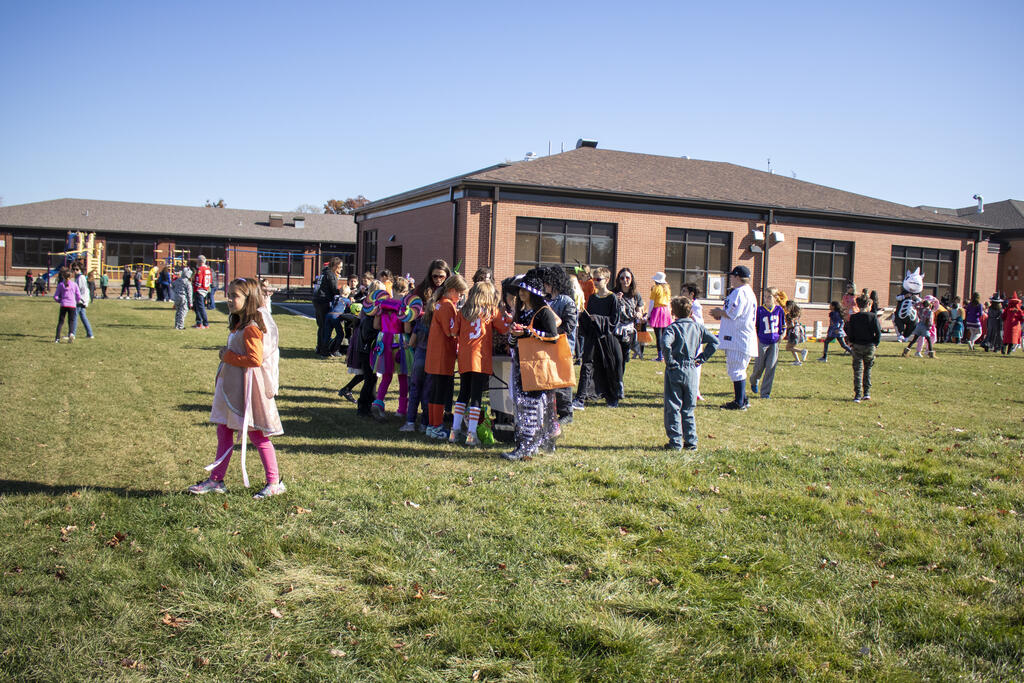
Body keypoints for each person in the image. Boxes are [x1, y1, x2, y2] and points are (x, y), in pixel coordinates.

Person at [188, 278, 285, 499]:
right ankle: (216, 480)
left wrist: (227, 356)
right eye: (229, 295)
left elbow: (254, 359)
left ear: (249, 299)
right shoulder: (239, 324)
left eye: (235, 296)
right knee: (224, 430)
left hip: (247, 390)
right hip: (233, 389)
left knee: (257, 434)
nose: (230, 299)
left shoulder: (251, 328)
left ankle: (274, 482)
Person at [503, 275, 560, 461]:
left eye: (525, 290)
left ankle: (527, 446)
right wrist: (514, 334)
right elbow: (514, 342)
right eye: (520, 289)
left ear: (534, 293)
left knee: (531, 406)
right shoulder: (521, 313)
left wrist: (528, 332)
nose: (521, 293)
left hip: (537, 367)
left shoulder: (543, 312)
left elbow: (553, 336)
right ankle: (528, 444)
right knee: (521, 406)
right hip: (521, 365)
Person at [449, 280, 508, 445]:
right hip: (480, 358)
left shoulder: (463, 311)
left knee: (463, 393)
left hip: (464, 357)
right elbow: (504, 329)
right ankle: (471, 433)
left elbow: (453, 332)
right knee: (476, 396)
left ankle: (454, 431)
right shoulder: (491, 311)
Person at [400, 260, 452, 432]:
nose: (438, 279)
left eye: (441, 276)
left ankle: (424, 422)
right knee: (417, 385)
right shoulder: (421, 292)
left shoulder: (449, 294)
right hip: (422, 347)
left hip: (435, 349)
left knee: (428, 387)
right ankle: (412, 421)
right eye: (435, 276)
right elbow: (410, 316)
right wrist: (410, 339)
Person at [662, 296, 719, 451]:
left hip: (676, 368)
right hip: (692, 368)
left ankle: (675, 442)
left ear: (673, 312)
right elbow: (714, 342)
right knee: (688, 407)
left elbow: (666, 344)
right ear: (690, 312)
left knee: (673, 406)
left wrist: (669, 360)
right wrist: (702, 358)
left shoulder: (672, 328)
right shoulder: (698, 327)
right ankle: (691, 441)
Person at [424, 274, 469, 439]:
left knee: (436, 390)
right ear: (452, 290)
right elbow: (450, 331)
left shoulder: (442, 304)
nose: (461, 297)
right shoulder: (447, 305)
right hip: (442, 355)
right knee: (439, 391)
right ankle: (436, 426)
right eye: (460, 294)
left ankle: (432, 425)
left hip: (437, 354)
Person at [708, 265, 757, 410]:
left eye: (732, 276)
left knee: (736, 369)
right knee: (737, 369)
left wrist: (719, 312)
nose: (731, 278)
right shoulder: (748, 292)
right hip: (742, 336)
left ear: (737, 277)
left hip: (738, 337)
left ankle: (739, 402)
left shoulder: (739, 292)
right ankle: (743, 399)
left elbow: (732, 313)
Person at [575, 267, 623, 408]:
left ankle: (612, 397)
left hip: (606, 338)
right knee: (587, 365)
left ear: (607, 280)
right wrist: (584, 317)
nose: (595, 282)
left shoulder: (612, 298)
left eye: (598, 279)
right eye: (594, 279)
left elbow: (614, 321)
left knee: (609, 366)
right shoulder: (592, 298)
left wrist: (597, 319)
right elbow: (589, 316)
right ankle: (580, 398)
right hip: (592, 336)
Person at [538, 266, 578, 426]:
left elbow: (569, 326)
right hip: (548, 347)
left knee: (563, 381)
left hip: (563, 346)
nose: (544, 285)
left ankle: (566, 412)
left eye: (547, 282)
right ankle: (551, 410)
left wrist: (551, 331)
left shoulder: (566, 301)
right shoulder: (545, 300)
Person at [370, 277, 413, 421]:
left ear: (392, 289)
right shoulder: (404, 307)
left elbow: (376, 326)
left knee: (386, 375)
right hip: (399, 341)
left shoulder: (383, 305)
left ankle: (378, 402)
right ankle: (402, 409)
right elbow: (407, 329)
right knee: (403, 376)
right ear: (406, 292)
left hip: (384, 340)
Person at [749, 287, 785, 399]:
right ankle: (754, 380)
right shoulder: (760, 310)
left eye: (769, 297)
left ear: (775, 298)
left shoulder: (779, 310)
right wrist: (756, 339)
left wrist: (782, 334)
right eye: (765, 297)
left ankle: (765, 393)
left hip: (774, 342)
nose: (766, 299)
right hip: (762, 341)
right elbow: (755, 326)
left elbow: (783, 326)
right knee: (759, 366)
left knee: (771, 367)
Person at [846, 294, 882, 402]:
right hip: (870, 345)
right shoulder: (873, 316)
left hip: (857, 345)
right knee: (868, 369)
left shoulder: (853, 317)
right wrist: (876, 343)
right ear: (868, 305)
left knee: (857, 370)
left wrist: (851, 342)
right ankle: (866, 393)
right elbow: (878, 332)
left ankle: (857, 395)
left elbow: (850, 331)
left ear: (857, 305)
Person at [312, 257, 343, 356]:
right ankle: (324, 350)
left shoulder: (324, 273)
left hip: (317, 300)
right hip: (324, 301)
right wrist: (344, 292)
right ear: (335, 266)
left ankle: (319, 347)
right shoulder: (331, 275)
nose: (341, 269)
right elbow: (334, 289)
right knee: (325, 327)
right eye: (340, 267)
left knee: (321, 326)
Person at [52, 267, 82, 342]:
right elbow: (78, 295)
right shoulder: (74, 285)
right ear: (71, 276)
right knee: (71, 321)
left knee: (61, 322)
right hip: (72, 305)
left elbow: (55, 296)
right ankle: (71, 333)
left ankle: (57, 338)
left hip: (64, 304)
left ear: (63, 276)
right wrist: (76, 301)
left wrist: (60, 300)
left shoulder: (61, 285)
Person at [648, 272, 672, 362]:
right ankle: (665, 355)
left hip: (657, 311)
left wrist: (648, 314)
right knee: (665, 335)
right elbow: (668, 302)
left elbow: (652, 303)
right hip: (666, 311)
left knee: (658, 335)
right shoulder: (667, 288)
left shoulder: (655, 288)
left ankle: (660, 356)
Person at [71, 264, 95, 339]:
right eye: (73, 269)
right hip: (81, 300)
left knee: (74, 316)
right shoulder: (78, 277)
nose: (75, 271)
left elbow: (83, 290)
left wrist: (80, 300)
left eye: (77, 269)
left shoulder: (81, 277)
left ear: (80, 270)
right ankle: (90, 334)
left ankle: (72, 334)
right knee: (83, 317)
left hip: (81, 300)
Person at [193, 255, 214, 330]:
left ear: (200, 261)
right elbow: (210, 280)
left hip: (200, 289)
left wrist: (195, 288)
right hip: (205, 289)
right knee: (197, 307)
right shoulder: (208, 269)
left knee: (200, 307)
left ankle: (205, 323)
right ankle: (198, 323)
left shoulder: (200, 269)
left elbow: (198, 279)